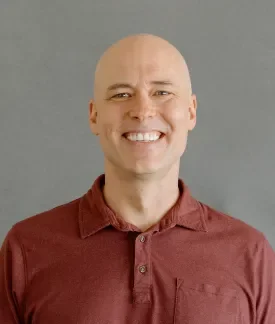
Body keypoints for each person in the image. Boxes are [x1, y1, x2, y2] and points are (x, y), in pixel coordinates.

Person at [0, 33, 274, 324]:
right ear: (94, 115)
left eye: (162, 92)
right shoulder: (26, 249)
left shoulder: (249, 252)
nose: (142, 111)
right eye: (121, 94)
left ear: (191, 111)